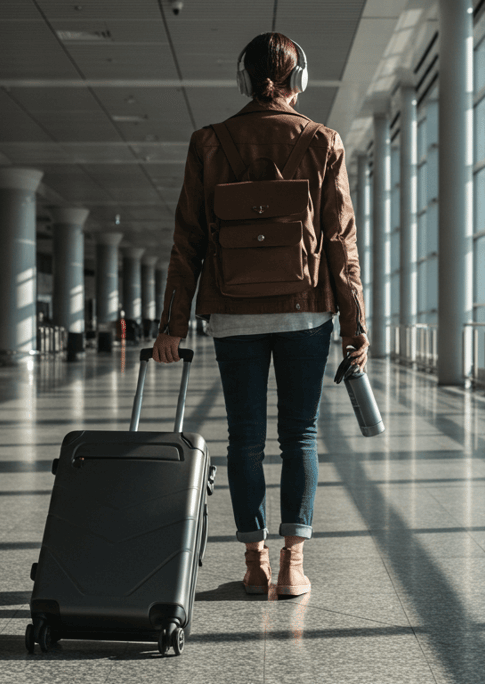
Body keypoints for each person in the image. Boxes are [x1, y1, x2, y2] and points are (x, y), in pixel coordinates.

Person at [152, 32, 368, 597]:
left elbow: (187, 240)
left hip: (233, 312)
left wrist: (173, 326)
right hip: (306, 312)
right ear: (300, 81)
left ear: (245, 81)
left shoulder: (208, 142)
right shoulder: (323, 141)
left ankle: (255, 562)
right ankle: (294, 565)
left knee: (244, 438)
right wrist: (355, 327)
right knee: (300, 435)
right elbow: (340, 242)